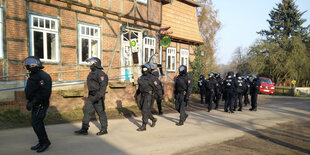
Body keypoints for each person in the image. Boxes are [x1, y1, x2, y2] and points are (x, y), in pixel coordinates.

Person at [24, 56, 52, 153]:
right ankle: (42, 141)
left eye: (33, 64)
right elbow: (33, 90)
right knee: (37, 123)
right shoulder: (34, 75)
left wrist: (33, 102)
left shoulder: (43, 76)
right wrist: (30, 101)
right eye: (29, 64)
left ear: (38, 64)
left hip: (41, 104)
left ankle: (45, 142)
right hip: (35, 103)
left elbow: (44, 93)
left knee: (36, 123)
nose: (30, 66)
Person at [75, 57, 109, 135]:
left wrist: (99, 96)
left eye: (91, 63)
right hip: (91, 96)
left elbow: (103, 86)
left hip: (98, 95)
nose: (90, 65)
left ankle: (104, 129)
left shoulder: (100, 74)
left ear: (96, 64)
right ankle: (84, 129)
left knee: (100, 112)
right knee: (87, 111)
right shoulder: (91, 73)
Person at [135, 64, 162, 131]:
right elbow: (140, 87)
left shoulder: (152, 78)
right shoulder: (141, 78)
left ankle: (144, 125)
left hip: (149, 96)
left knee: (144, 110)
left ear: (148, 69)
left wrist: (160, 96)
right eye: (143, 69)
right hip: (142, 95)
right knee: (143, 109)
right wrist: (137, 94)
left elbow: (158, 87)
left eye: (145, 69)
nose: (143, 70)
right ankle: (153, 119)